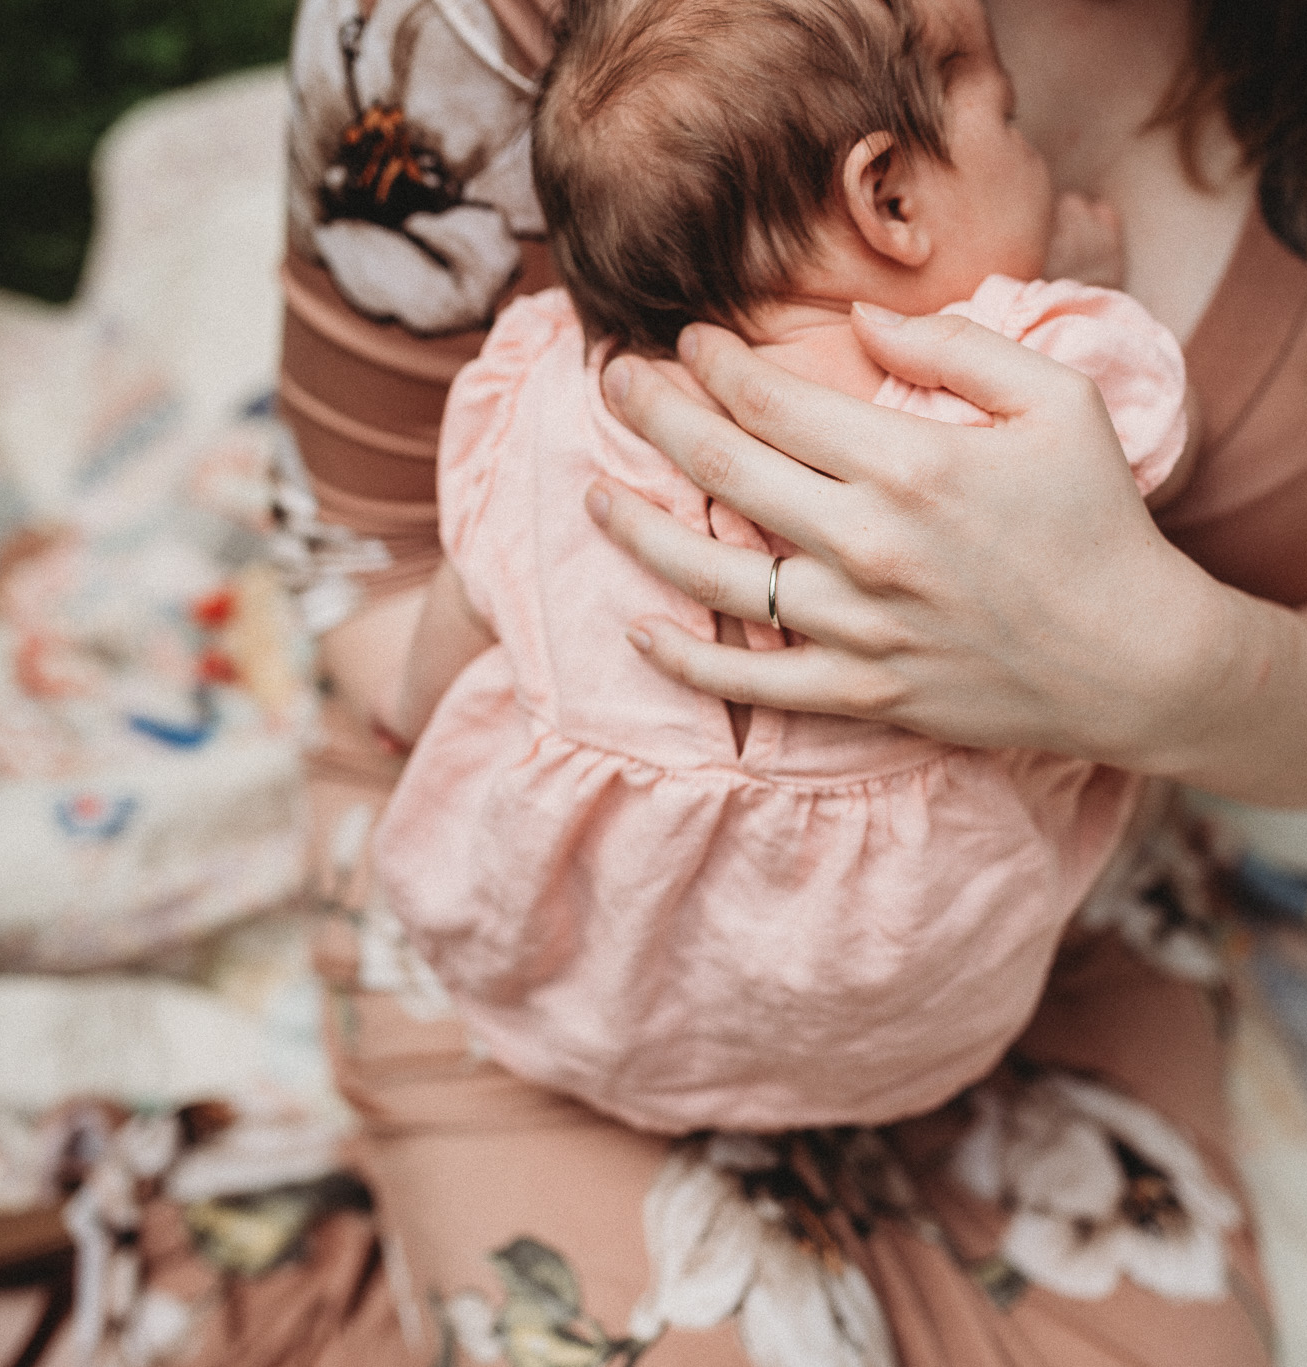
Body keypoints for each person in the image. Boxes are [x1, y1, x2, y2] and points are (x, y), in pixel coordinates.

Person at [275, 0, 1307, 1362]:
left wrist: (1185, 676)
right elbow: (371, 558)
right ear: (890, 199)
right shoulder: (1052, 348)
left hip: (953, 912)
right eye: (997, 112)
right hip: (589, 922)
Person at [371, 0, 1197, 1140]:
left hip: (578, 981)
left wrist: (417, 722)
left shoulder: (548, 398)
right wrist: (1083, 283)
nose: (1035, 153)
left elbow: (461, 617)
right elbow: (1147, 445)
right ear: (891, 201)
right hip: (891, 1014)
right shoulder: (1021, 383)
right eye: (1010, 121)